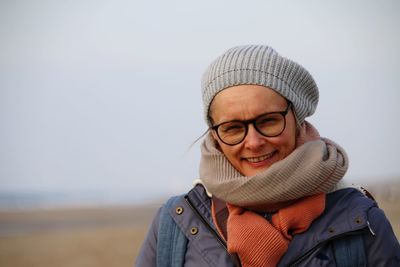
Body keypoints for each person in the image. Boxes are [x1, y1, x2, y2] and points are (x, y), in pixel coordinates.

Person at [136, 45, 400, 266]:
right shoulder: (176, 223)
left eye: (269, 121)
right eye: (233, 128)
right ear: (215, 135)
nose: (253, 142)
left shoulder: (360, 221)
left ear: (297, 119)